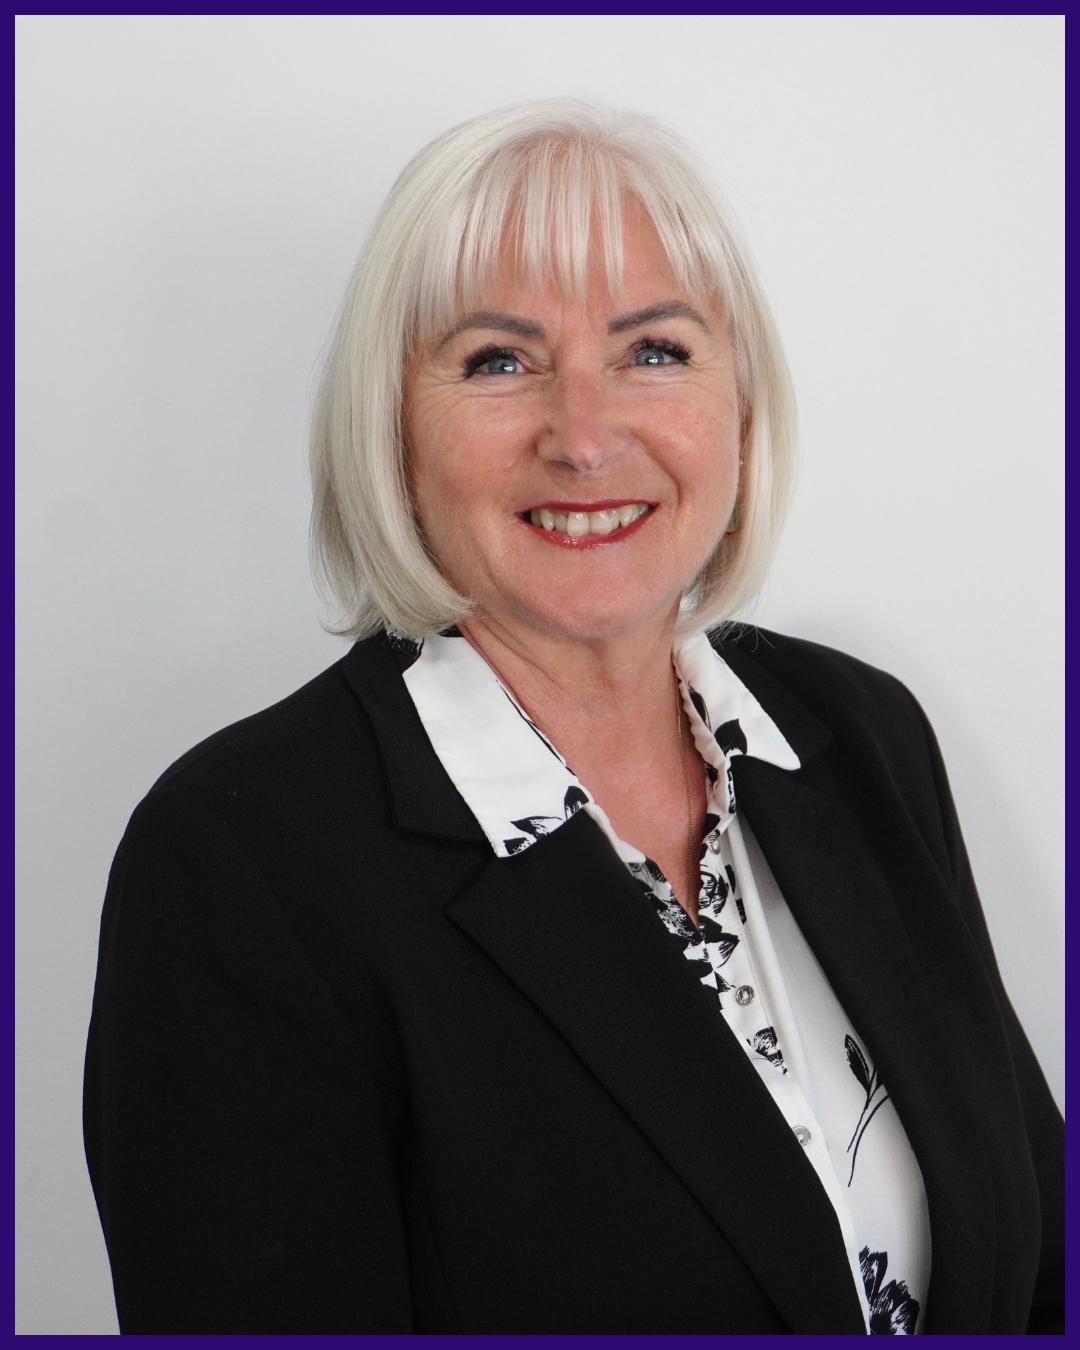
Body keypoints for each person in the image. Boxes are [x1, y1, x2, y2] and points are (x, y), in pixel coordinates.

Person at [83, 101, 1063, 1335]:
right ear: (393, 430)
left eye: (654, 351)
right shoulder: (242, 859)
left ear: (740, 409)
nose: (586, 436)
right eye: (500, 361)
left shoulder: (855, 735)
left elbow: (1034, 1265)